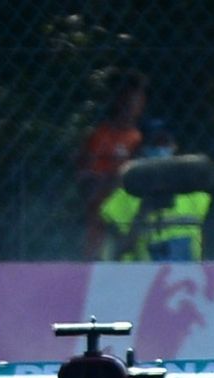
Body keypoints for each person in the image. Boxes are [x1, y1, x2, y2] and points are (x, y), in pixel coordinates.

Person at [99, 119, 212, 262]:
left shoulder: (195, 194)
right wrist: (142, 214)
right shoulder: (124, 196)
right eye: (154, 144)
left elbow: (211, 248)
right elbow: (114, 253)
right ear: (143, 149)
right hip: (144, 274)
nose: (160, 149)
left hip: (189, 274)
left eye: (164, 143)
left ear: (174, 146)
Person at [77, 69, 148, 260]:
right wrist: (113, 179)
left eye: (139, 99)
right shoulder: (98, 135)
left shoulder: (138, 138)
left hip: (131, 215)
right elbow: (86, 180)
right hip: (101, 216)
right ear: (118, 100)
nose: (135, 104)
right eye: (130, 99)